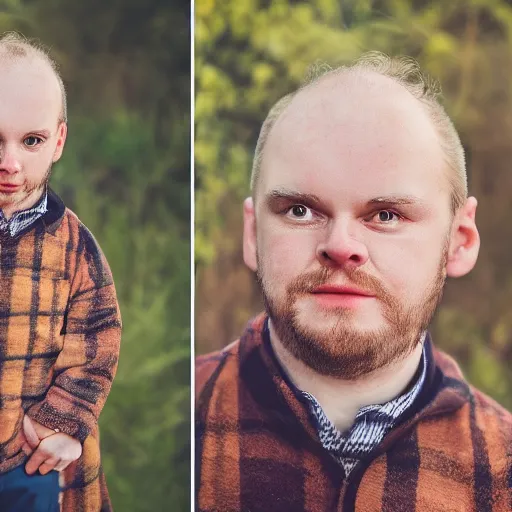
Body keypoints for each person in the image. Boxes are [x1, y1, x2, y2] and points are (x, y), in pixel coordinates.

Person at [196, 53, 512, 511]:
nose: (341, 245)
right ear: (252, 234)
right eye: (300, 210)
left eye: (386, 215)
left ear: (459, 241)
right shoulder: (180, 429)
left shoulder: (502, 474)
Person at [0, 33, 121, 511]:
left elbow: (98, 341)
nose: (9, 163)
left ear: (58, 141)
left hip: (36, 460)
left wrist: (61, 422)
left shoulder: (75, 248)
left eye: (31, 141)